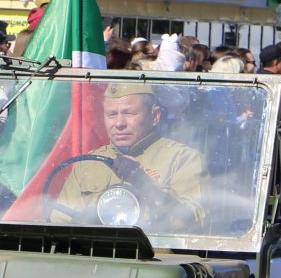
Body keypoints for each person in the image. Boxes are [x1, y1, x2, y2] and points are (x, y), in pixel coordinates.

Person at [50, 84, 206, 228]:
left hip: (155, 254)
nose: (119, 123)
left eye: (129, 113)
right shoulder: (89, 163)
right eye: (111, 114)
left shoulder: (183, 159)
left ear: (156, 115)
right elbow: (61, 222)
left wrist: (143, 183)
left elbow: (195, 222)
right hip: (94, 251)